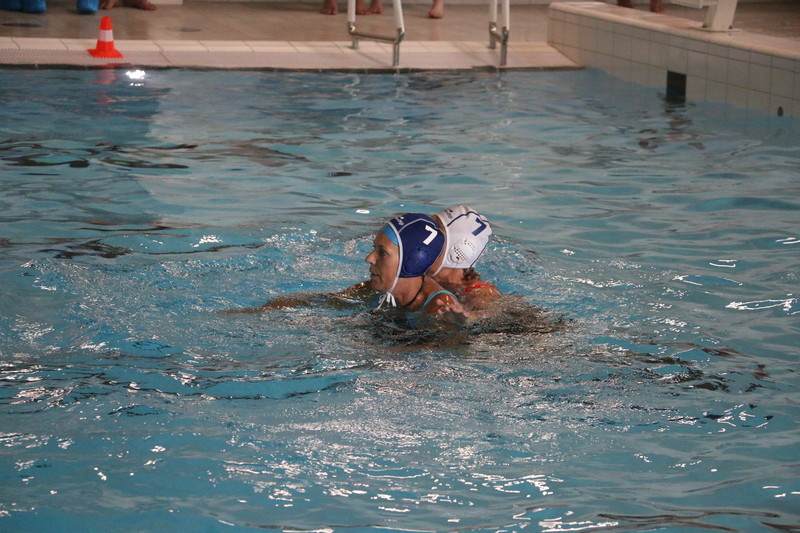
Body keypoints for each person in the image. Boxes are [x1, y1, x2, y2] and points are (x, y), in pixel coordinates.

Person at [224, 213, 463, 320]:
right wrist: (264, 310)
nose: (369, 258)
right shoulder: (376, 289)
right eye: (374, 248)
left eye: (382, 253)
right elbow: (325, 301)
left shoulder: (440, 310)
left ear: (412, 261)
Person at [428, 205, 501, 310]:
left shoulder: (479, 293)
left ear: (459, 252)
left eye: (430, 240)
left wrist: (470, 317)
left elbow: (494, 312)